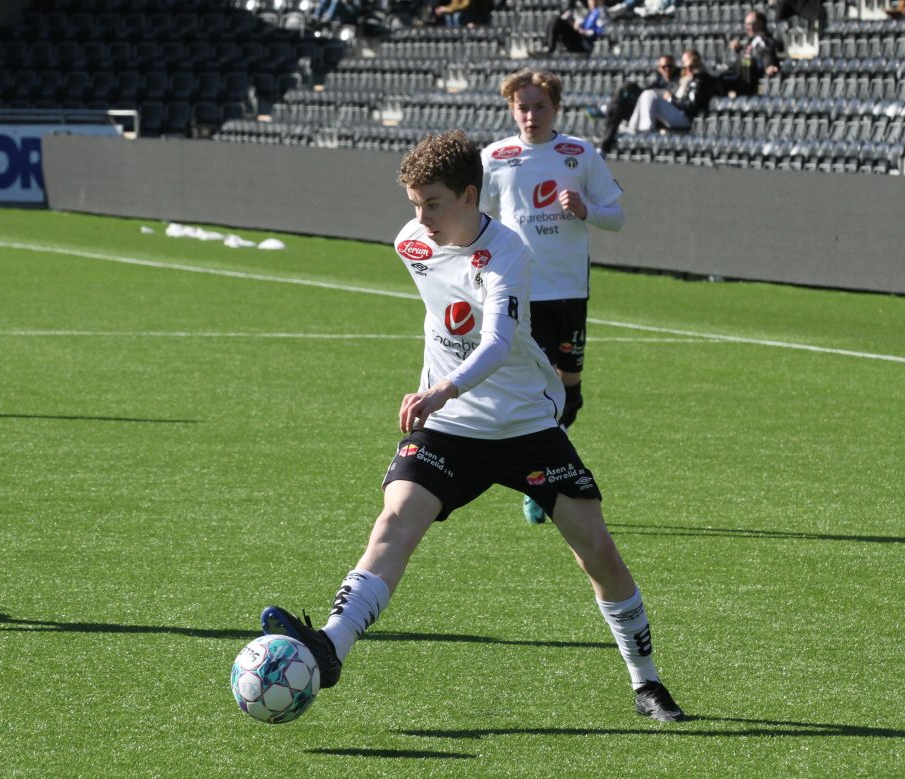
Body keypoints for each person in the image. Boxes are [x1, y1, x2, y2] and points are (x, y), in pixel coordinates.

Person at [260, 129, 685, 723]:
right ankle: (332, 646)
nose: (420, 217)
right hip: (447, 427)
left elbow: (497, 341)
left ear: (469, 195)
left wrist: (441, 387)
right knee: (394, 521)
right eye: (413, 203)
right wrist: (441, 393)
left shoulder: (508, 251)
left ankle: (647, 684)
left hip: (521, 424)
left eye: (432, 203)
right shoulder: (411, 242)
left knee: (598, 552)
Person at [479, 69, 624, 524]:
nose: (530, 114)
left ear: (555, 107)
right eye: (522, 106)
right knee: (539, 394)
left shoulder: (579, 153)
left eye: (539, 105)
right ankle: (538, 483)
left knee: (570, 395)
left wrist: (587, 210)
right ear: (511, 109)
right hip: (522, 291)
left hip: (570, 290)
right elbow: (480, 220)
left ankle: (542, 472)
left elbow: (616, 216)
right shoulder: (495, 157)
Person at [588, 53, 679, 156]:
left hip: (661, 115)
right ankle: (603, 149)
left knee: (628, 87)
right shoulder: (660, 80)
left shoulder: (677, 80)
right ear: (659, 69)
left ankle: (606, 108)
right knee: (618, 108)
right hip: (647, 110)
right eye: (664, 67)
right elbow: (647, 91)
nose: (667, 69)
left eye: (670, 66)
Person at [621, 48, 714, 135]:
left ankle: (647, 130)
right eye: (684, 65)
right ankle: (632, 127)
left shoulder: (699, 80)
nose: (686, 68)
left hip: (687, 118)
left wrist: (671, 98)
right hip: (677, 111)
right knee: (647, 93)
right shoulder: (684, 78)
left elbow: (690, 105)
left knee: (651, 95)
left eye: (689, 65)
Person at [718, 10, 781, 97]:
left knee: (746, 61)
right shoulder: (753, 40)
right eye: (746, 24)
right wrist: (739, 49)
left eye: (750, 24)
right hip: (741, 78)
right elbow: (752, 52)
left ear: (761, 24)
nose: (747, 27)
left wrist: (769, 65)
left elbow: (765, 52)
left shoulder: (762, 39)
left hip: (751, 82)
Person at [544, 0, 609, 56]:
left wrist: (585, 32)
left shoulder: (601, 12)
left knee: (557, 21)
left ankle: (550, 49)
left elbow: (603, 30)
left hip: (585, 43)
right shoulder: (590, 13)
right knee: (554, 20)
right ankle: (547, 46)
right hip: (578, 37)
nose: (592, 2)